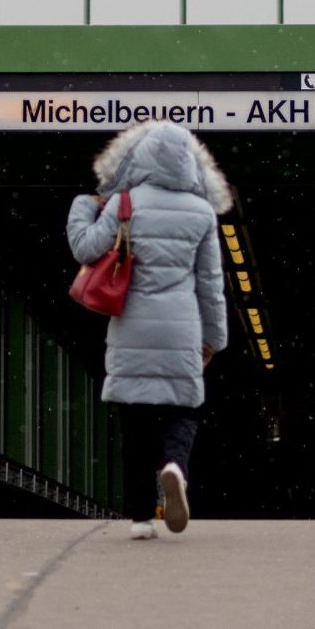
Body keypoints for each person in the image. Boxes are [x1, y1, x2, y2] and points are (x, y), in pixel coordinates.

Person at [67, 122, 230, 539]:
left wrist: (84, 207)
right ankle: (175, 466)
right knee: (182, 413)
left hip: (132, 328)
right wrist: (214, 338)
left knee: (135, 425)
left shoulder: (125, 202)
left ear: (141, 159)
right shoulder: (201, 214)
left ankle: (140, 519)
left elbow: (86, 248)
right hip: (181, 330)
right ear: (190, 165)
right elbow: (211, 284)